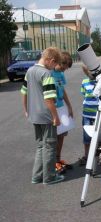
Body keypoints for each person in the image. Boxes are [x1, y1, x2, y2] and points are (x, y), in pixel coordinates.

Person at [20, 47, 65, 185]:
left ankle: (37, 176)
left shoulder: (30, 71)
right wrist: (56, 117)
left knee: (41, 145)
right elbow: (49, 99)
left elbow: (23, 91)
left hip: (34, 114)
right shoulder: (46, 74)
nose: (54, 67)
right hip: (46, 115)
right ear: (50, 60)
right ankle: (49, 177)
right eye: (54, 64)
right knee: (50, 145)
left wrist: (26, 109)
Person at [51, 51, 73, 174]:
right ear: (58, 62)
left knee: (62, 135)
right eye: (63, 68)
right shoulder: (49, 73)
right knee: (53, 136)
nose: (63, 71)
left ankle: (58, 159)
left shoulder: (60, 74)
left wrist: (69, 106)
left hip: (61, 107)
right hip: (52, 110)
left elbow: (62, 90)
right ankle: (52, 163)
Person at [78, 64, 99, 165]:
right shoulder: (84, 82)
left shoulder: (100, 81)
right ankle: (87, 156)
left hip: (98, 114)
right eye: (87, 72)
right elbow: (83, 93)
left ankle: (100, 155)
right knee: (86, 137)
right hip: (86, 114)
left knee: (99, 135)